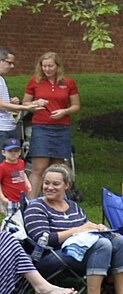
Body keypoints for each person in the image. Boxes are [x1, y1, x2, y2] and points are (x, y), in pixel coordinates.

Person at [24, 164, 123, 294]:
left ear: (67, 186)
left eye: (56, 184)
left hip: (78, 249)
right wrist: (78, 230)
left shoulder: (73, 206)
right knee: (102, 245)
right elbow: (43, 240)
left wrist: (97, 227)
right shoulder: (36, 207)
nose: (49, 187)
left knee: (122, 241)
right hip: (50, 256)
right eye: (46, 183)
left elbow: (86, 225)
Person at [0, 228, 80, 294]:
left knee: (6, 238)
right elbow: (42, 237)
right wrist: (79, 230)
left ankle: (40, 286)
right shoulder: (35, 212)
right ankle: (40, 287)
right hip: (50, 251)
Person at [23, 51, 77, 197]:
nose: (47, 69)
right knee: (38, 168)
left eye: (50, 66)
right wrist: (35, 104)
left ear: (57, 66)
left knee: (56, 169)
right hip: (41, 127)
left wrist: (64, 111)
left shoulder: (68, 82)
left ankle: (54, 203)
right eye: (44, 66)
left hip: (61, 128)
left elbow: (76, 106)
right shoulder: (34, 81)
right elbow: (25, 103)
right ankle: (31, 205)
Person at [0, 46, 25, 147]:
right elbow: (1, 106)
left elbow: (6, 108)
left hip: (9, 128)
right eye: (9, 62)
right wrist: (26, 107)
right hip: (1, 130)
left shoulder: (1, 79)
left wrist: (12, 104)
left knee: (11, 162)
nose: (12, 66)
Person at [1, 138, 27, 214]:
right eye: (10, 151)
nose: (13, 153)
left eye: (16, 151)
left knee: (23, 216)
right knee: (12, 220)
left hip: (22, 197)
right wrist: (2, 198)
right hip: (10, 199)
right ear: (3, 152)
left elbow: (22, 173)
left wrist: (27, 183)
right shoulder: (2, 167)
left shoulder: (21, 162)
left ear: (20, 152)